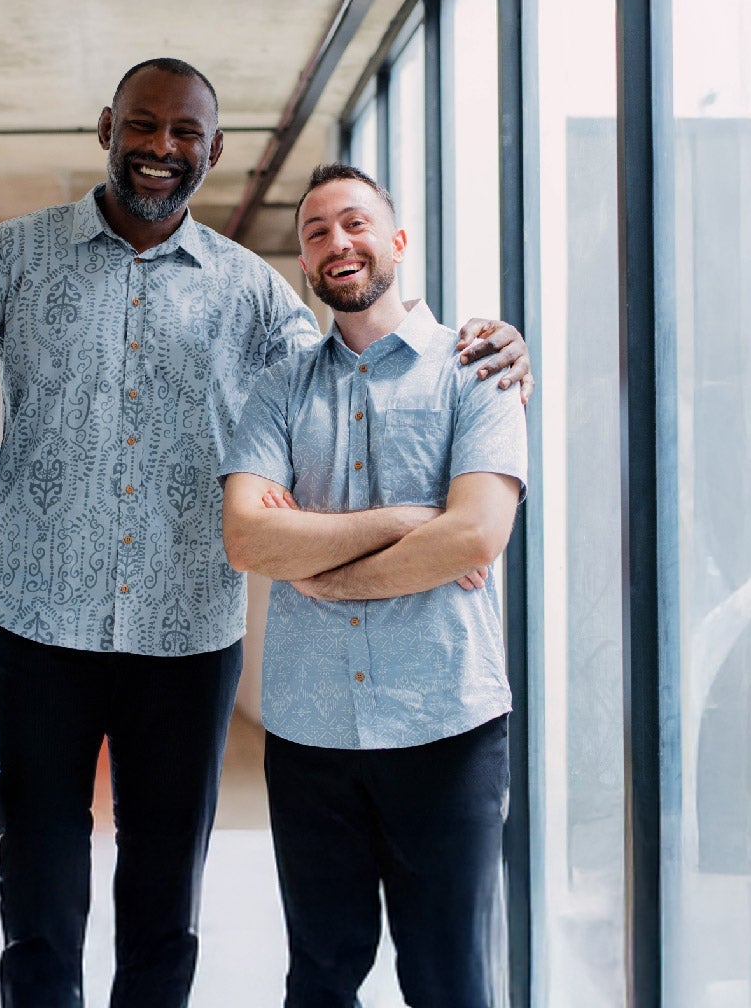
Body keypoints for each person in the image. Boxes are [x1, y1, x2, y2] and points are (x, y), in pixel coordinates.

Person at [0, 58, 531, 1008]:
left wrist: (494, 349)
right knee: (37, 894)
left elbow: (343, 368)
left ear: (214, 150)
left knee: (165, 902)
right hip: (33, 632)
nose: (161, 148)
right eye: (143, 126)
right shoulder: (19, 258)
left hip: (187, 639)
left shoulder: (251, 293)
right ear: (107, 127)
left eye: (184, 133)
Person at [218, 164, 528, 1008]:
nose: (334, 243)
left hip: (445, 725)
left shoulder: (477, 369)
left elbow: (475, 533)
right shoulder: (280, 386)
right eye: (314, 233)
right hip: (310, 732)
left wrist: (321, 570)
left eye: (352, 224)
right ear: (306, 265)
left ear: (394, 241)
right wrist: (406, 522)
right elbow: (247, 534)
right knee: (319, 978)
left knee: (448, 980)